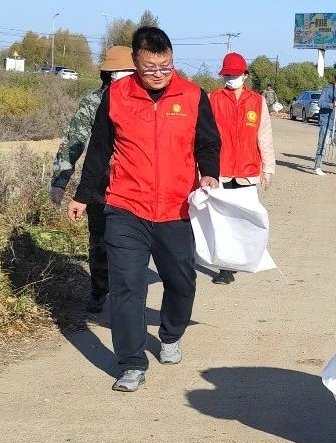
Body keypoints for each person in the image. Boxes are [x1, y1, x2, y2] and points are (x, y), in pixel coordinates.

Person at [68, 27, 221, 393]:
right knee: (127, 287)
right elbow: (100, 150)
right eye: (150, 67)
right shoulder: (117, 95)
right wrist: (83, 195)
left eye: (166, 66)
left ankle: (170, 334)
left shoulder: (193, 95)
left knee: (181, 281)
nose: (158, 73)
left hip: (175, 208)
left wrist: (209, 173)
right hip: (126, 206)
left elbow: (208, 143)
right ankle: (131, 362)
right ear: (135, 62)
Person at [49, 45, 135, 313]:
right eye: (120, 72)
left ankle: (127, 294)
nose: (125, 77)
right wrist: (60, 180)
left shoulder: (143, 101)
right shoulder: (93, 102)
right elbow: (73, 141)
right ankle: (99, 290)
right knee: (99, 239)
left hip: (135, 185)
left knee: (131, 242)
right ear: (108, 74)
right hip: (100, 183)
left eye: (130, 71)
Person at [207, 51, 276, 286]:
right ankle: (225, 268)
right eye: (227, 75)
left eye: (235, 75)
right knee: (223, 222)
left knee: (245, 220)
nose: (231, 79)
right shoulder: (213, 99)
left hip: (248, 172)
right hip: (221, 171)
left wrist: (268, 168)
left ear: (245, 75)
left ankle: (244, 258)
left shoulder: (257, 101)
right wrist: (202, 169)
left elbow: (264, 136)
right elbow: (203, 136)